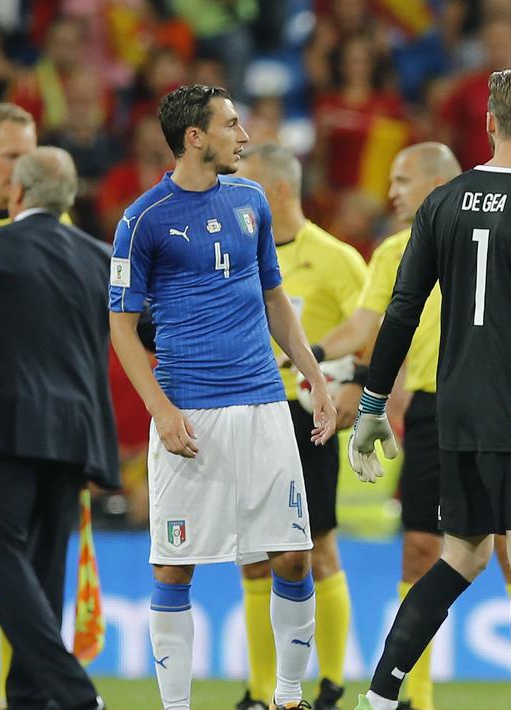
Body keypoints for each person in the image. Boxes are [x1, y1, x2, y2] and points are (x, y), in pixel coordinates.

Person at [108, 84, 336, 710]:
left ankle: (289, 696)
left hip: (264, 404)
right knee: (174, 569)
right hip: (191, 414)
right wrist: (161, 409)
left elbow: (274, 300)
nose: (245, 136)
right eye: (233, 125)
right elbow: (121, 328)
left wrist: (312, 375)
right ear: (195, 138)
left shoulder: (251, 199)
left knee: (294, 556)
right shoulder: (143, 219)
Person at [347, 69, 511, 710]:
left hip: (453, 406)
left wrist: (372, 404)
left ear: (489, 124)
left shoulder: (441, 203)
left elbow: (402, 311)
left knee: (461, 557)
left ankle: (380, 696)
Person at [314, 141, 462, 710]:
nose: (391, 192)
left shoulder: (485, 239)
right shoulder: (391, 252)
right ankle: (415, 701)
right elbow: (362, 326)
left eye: (402, 180)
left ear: (436, 183)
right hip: (428, 409)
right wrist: (306, 353)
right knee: (421, 551)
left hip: (493, 406)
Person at [0, 147, 115, 710]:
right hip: (75, 436)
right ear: (70, 197)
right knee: (45, 569)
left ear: (16, 193)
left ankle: (76, 695)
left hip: (1, 432)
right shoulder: (100, 257)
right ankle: (31, 702)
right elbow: (149, 332)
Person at [232, 143, 368, 710]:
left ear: (279, 191)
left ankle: (331, 684)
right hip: (247, 412)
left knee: (318, 549)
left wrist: (353, 399)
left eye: (248, 184)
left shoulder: (337, 259)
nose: (235, 195)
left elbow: (371, 337)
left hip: (304, 414)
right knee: (253, 554)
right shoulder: (234, 254)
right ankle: (260, 692)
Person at [0, 100, 75, 710]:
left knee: (28, 580)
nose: (22, 168)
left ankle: (29, 702)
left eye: (31, 157)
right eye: (13, 156)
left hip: (20, 434)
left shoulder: (55, 238)